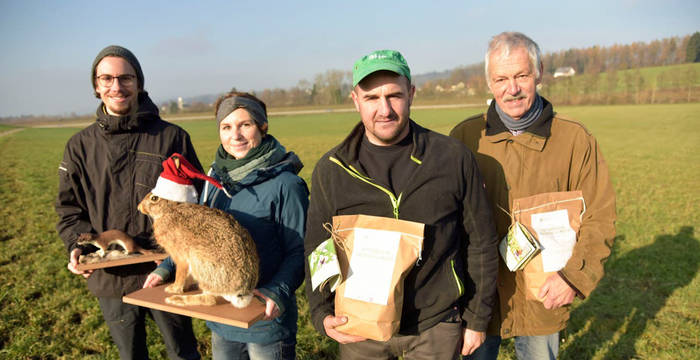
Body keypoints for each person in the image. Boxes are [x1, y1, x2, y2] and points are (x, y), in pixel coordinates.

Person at [303, 49, 500, 359]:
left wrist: (476, 319)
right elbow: (318, 247)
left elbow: (481, 242)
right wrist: (320, 311)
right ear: (355, 100)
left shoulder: (452, 158)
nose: (385, 109)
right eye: (371, 98)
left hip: (436, 324)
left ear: (411, 94)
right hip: (359, 326)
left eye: (394, 95)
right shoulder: (332, 169)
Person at [450, 32, 616, 360]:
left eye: (522, 76)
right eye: (501, 78)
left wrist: (573, 277)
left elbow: (600, 216)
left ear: (539, 72)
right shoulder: (465, 138)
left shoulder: (575, 140)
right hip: (481, 300)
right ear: (488, 82)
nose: (512, 89)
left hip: (544, 294)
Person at [55, 45, 201, 359]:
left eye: (125, 78)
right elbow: (69, 211)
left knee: (183, 353)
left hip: (165, 269)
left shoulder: (172, 137)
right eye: (106, 79)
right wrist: (77, 246)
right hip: (111, 278)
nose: (116, 87)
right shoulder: (80, 147)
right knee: (131, 355)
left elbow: (195, 205)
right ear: (96, 86)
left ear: (139, 82)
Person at [144, 91, 309, 360]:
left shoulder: (286, 185)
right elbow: (194, 235)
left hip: (264, 319)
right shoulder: (215, 179)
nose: (236, 135)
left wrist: (276, 292)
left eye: (246, 125)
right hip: (221, 316)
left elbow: (301, 251)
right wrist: (166, 268)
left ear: (263, 127)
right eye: (227, 127)